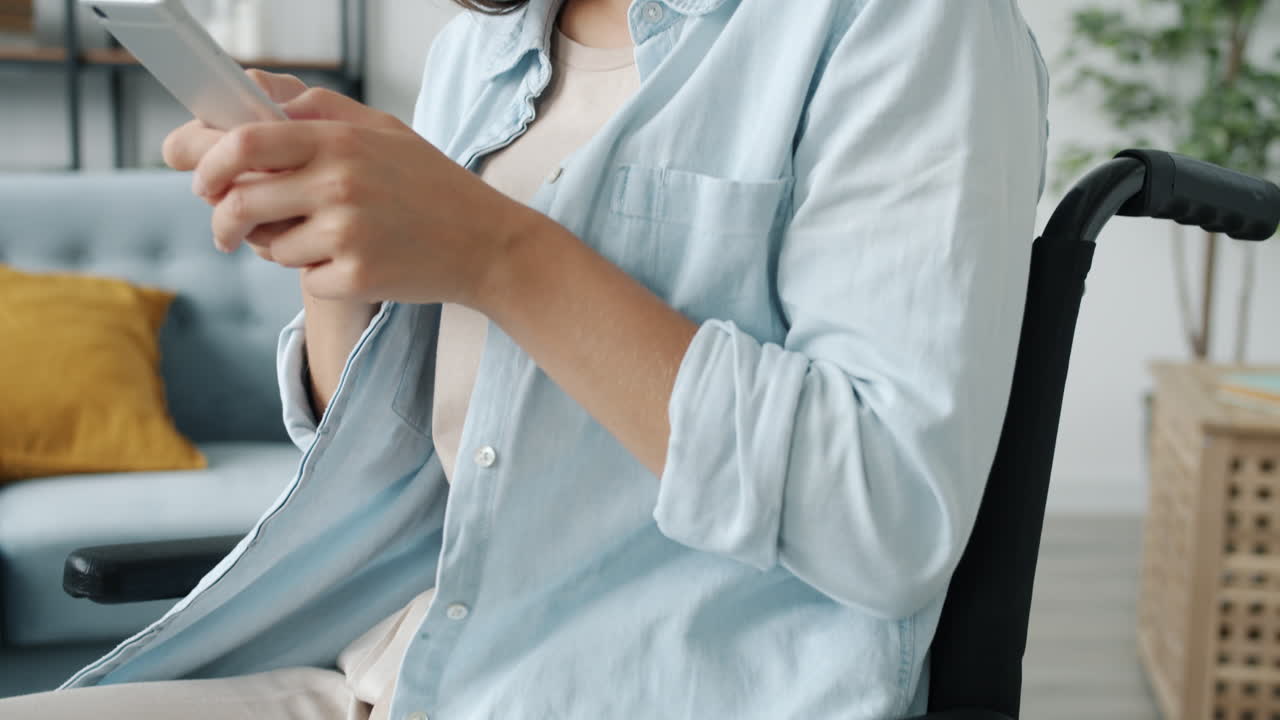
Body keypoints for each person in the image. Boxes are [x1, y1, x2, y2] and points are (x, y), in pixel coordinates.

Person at [3, 0, 1049, 717]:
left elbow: (883, 514)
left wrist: (494, 251)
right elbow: (403, 451)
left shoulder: (904, 25)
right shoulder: (486, 50)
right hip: (393, 676)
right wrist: (339, 255)